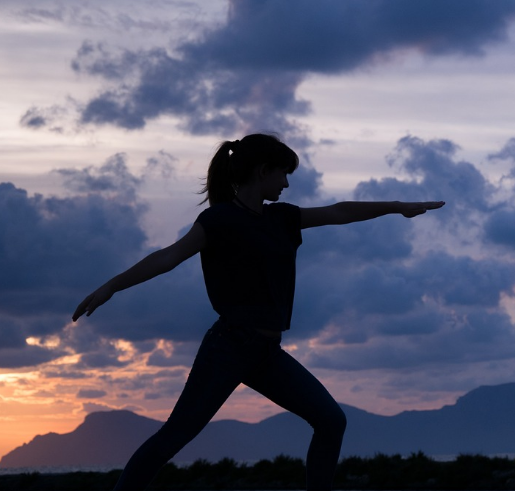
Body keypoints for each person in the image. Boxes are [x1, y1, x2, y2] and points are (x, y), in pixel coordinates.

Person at [72, 133, 444, 491]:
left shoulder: (282, 219)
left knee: (331, 421)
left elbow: (339, 211)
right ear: (262, 171)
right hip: (229, 346)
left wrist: (397, 207)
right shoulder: (217, 221)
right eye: (283, 173)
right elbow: (168, 257)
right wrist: (111, 286)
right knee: (175, 436)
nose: (286, 183)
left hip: (266, 353)